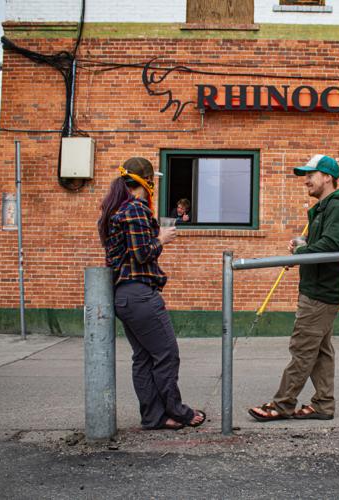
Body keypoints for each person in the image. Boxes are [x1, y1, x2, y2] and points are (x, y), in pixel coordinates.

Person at [97, 157, 205, 430]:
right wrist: (161, 239)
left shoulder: (117, 208)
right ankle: (178, 411)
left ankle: (154, 417)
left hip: (124, 296)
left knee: (144, 358)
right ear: (147, 182)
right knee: (167, 354)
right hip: (139, 295)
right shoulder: (135, 208)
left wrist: (154, 234)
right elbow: (142, 253)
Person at [249, 154, 339, 422]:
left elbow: (334, 245)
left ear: (328, 177)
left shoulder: (336, 208)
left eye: (311, 174)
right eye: (305, 175)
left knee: (302, 348)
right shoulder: (324, 208)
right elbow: (319, 245)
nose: (306, 180)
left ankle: (282, 404)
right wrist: (301, 249)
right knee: (320, 350)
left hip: (320, 292)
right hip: (319, 288)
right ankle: (323, 404)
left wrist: (304, 250)